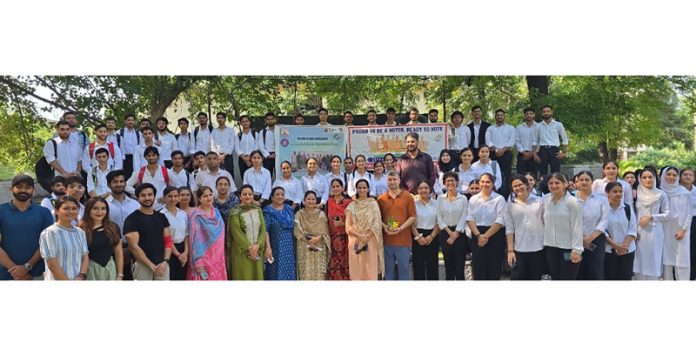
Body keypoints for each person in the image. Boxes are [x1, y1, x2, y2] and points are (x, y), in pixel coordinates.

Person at [0, 175, 54, 280]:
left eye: (28, 187)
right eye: (19, 187)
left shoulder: (44, 212)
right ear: (11, 188)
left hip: (37, 273)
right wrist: (16, 271)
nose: (23, 190)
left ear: (33, 190)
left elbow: (46, 243)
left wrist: (27, 267)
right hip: (5, 274)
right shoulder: (1, 211)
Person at [123, 183, 173, 280]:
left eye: (150, 195)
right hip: (142, 266)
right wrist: (151, 266)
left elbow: (168, 241)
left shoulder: (161, 217)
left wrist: (165, 261)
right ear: (137, 198)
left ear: (154, 196)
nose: (147, 198)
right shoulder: (132, 219)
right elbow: (133, 247)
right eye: (143, 195)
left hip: (162, 265)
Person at [542, 172, 583, 280]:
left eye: (557, 183)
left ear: (565, 184)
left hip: (568, 248)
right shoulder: (545, 200)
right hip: (551, 247)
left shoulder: (573, 202)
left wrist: (577, 250)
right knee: (555, 278)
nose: (553, 185)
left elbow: (577, 227)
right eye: (551, 183)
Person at [466, 173, 506, 280]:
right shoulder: (473, 199)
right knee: (478, 268)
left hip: (495, 235)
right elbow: (470, 218)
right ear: (479, 183)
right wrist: (479, 236)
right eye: (482, 181)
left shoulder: (499, 199)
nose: (485, 184)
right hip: (477, 234)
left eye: (488, 182)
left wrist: (485, 236)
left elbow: (500, 220)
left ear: (493, 184)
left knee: (494, 267)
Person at [377, 171, 417, 280]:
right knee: (388, 271)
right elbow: (377, 218)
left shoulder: (408, 197)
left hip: (403, 241)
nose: (392, 182)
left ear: (399, 181)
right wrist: (385, 227)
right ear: (386, 181)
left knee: (404, 270)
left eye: (394, 179)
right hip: (387, 241)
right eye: (389, 179)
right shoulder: (381, 199)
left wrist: (401, 228)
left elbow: (413, 216)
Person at [39, 196, 90, 280]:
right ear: (56, 211)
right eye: (66, 208)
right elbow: (52, 264)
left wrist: (81, 276)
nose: (70, 211)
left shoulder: (80, 232)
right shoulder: (50, 232)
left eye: (74, 208)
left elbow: (85, 256)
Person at [505, 174, 545, 280]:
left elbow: (545, 222)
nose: (518, 188)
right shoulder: (510, 206)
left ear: (526, 185)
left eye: (520, 184)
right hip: (520, 248)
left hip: (539, 247)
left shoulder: (540, 202)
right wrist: (510, 251)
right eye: (515, 186)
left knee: (535, 278)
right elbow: (509, 229)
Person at [633, 167, 670, 280]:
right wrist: (633, 232)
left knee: (653, 260)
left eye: (650, 177)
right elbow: (633, 214)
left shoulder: (661, 194)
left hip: (655, 233)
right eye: (644, 177)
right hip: (638, 232)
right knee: (639, 262)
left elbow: (667, 214)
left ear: (655, 178)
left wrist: (651, 217)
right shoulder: (636, 194)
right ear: (640, 179)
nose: (648, 180)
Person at [345, 179, 384, 280]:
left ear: (368, 189)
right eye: (359, 188)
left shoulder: (373, 204)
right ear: (356, 189)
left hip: (370, 240)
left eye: (364, 188)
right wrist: (360, 236)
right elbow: (348, 226)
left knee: (370, 268)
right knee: (357, 269)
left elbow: (377, 222)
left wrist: (367, 236)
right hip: (355, 240)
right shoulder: (352, 206)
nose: (362, 190)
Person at [574, 170, 609, 280]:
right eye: (581, 180)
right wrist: (580, 238)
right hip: (575, 240)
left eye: (587, 180)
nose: (584, 182)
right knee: (577, 271)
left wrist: (590, 237)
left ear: (592, 182)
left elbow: (604, 220)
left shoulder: (602, 199)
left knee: (595, 272)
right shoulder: (571, 199)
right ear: (577, 182)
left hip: (596, 240)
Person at [228, 185, 269, 280]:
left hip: (257, 250)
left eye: (250, 194)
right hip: (241, 252)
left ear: (253, 196)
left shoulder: (258, 210)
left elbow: (263, 229)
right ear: (240, 196)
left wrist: (258, 245)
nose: (247, 196)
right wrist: (250, 249)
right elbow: (236, 233)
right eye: (244, 194)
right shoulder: (235, 212)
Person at [187, 186, 227, 280]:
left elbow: (221, 234)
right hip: (202, 256)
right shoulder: (195, 215)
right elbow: (195, 240)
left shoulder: (216, 212)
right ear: (199, 199)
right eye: (205, 196)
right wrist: (198, 260)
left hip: (218, 255)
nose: (209, 198)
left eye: (210, 195)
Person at [104, 170, 139, 280]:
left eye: (122, 181)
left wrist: (130, 247)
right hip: (111, 249)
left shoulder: (135, 204)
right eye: (115, 182)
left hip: (134, 249)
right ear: (109, 185)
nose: (119, 184)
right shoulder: (104, 205)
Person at [79, 197, 124, 280]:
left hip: (110, 268)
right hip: (89, 269)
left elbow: (118, 252)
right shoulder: (80, 229)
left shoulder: (113, 227)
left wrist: (120, 274)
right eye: (95, 208)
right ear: (88, 210)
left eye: (103, 208)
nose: (100, 212)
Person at [660, 166, 692, 280]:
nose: (671, 177)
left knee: (682, 261)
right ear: (663, 176)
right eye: (668, 174)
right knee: (666, 261)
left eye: (674, 175)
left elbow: (689, 213)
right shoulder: (659, 192)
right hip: (664, 230)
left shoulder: (684, 192)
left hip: (682, 230)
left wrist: (683, 230)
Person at [436, 172, 469, 280]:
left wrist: (455, 233)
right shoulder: (440, 198)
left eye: (452, 180)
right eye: (448, 181)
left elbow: (464, 216)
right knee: (448, 265)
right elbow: (439, 217)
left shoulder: (463, 198)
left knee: (460, 266)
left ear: (457, 182)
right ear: (444, 183)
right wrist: (449, 233)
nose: (450, 183)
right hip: (445, 233)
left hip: (459, 234)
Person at [604, 182, 637, 280]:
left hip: (628, 250)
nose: (618, 194)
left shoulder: (627, 208)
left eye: (620, 191)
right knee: (610, 277)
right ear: (607, 193)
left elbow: (632, 228)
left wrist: (624, 247)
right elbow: (602, 231)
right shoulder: (603, 209)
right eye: (614, 191)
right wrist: (615, 245)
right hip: (609, 251)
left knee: (625, 277)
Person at [294, 190, 331, 280]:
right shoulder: (299, 214)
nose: (311, 201)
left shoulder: (321, 214)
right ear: (304, 201)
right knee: (305, 271)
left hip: (319, 244)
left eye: (313, 199)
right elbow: (297, 230)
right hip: (304, 246)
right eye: (308, 199)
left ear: (316, 201)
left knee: (319, 272)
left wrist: (317, 239)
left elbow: (325, 231)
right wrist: (309, 239)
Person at [263, 187, 297, 280]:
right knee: (275, 270)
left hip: (289, 246)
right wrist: (268, 247)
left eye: (282, 194)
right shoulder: (268, 211)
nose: (280, 196)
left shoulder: (289, 209)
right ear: (272, 197)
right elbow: (265, 230)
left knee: (289, 270)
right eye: (277, 194)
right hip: (275, 245)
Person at [411, 181, 439, 280]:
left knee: (433, 266)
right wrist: (418, 237)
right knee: (418, 266)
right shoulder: (413, 204)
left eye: (426, 188)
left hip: (433, 235)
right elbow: (411, 223)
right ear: (417, 190)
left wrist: (431, 236)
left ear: (430, 189)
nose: (423, 190)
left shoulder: (436, 203)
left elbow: (439, 222)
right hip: (417, 235)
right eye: (421, 188)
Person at [126, 146, 170, 211]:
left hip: (163, 207)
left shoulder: (167, 171)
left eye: (153, 155)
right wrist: (139, 194)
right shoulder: (139, 172)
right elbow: (126, 185)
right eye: (149, 156)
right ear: (145, 157)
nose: (151, 157)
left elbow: (176, 186)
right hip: (145, 207)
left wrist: (167, 197)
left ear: (158, 156)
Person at [159, 187, 189, 281]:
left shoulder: (183, 214)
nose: (173, 199)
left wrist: (186, 252)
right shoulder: (161, 214)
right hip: (169, 250)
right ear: (164, 198)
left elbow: (186, 234)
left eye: (175, 196)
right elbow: (166, 238)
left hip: (183, 249)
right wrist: (178, 255)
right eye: (170, 196)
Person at [485, 109, 516, 195]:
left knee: (507, 174)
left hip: (506, 154)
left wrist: (502, 150)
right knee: (493, 173)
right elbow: (488, 141)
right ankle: (494, 192)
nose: (499, 116)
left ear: (504, 116)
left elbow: (512, 142)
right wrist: (496, 149)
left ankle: (507, 194)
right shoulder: (490, 128)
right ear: (495, 117)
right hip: (493, 154)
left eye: (501, 115)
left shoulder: (511, 128)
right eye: (498, 115)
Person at [326, 179, 352, 280]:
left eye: (338, 186)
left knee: (345, 262)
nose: (336, 189)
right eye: (333, 187)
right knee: (334, 262)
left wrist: (343, 223)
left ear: (342, 188)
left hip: (345, 237)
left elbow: (354, 220)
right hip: (333, 237)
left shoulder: (349, 202)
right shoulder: (329, 201)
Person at [534, 105, 569, 177]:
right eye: (544, 112)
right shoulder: (538, 126)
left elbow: (564, 138)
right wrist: (534, 154)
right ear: (541, 113)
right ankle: (543, 187)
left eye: (548, 111)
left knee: (556, 172)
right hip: (542, 150)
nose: (546, 113)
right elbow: (534, 140)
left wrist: (564, 153)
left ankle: (556, 187)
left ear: (552, 112)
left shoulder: (558, 125)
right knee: (542, 172)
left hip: (554, 150)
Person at [679, 168, 696, 280]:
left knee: (693, 249)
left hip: (694, 221)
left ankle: (692, 275)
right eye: (685, 174)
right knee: (681, 250)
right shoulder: (676, 191)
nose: (688, 177)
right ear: (680, 177)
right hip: (680, 223)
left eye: (690, 175)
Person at [210, 112, 236, 177]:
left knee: (229, 174)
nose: (220, 119)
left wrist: (224, 156)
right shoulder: (214, 131)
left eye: (222, 118)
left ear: (225, 119)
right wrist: (218, 156)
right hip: (216, 156)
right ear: (216, 119)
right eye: (218, 118)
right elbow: (212, 145)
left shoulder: (230, 131)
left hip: (227, 156)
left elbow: (232, 144)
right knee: (216, 174)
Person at [117, 114, 142, 179]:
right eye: (128, 120)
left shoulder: (138, 133)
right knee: (124, 177)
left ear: (135, 122)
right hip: (124, 158)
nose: (130, 122)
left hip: (136, 158)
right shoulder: (119, 132)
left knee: (136, 176)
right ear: (125, 121)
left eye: (132, 120)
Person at [515, 107, 539, 176]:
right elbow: (517, 141)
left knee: (533, 176)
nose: (529, 115)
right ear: (524, 115)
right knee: (521, 176)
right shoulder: (519, 127)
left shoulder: (539, 126)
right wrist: (524, 152)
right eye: (527, 114)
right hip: (522, 155)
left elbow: (540, 141)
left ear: (534, 115)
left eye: (531, 114)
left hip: (534, 154)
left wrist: (532, 153)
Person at [259, 112, 277, 178]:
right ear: (266, 121)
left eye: (272, 119)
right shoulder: (263, 132)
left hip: (278, 155)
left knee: (279, 175)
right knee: (267, 176)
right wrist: (268, 155)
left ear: (275, 119)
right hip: (267, 157)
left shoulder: (281, 130)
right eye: (268, 119)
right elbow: (261, 146)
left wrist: (277, 154)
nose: (270, 121)